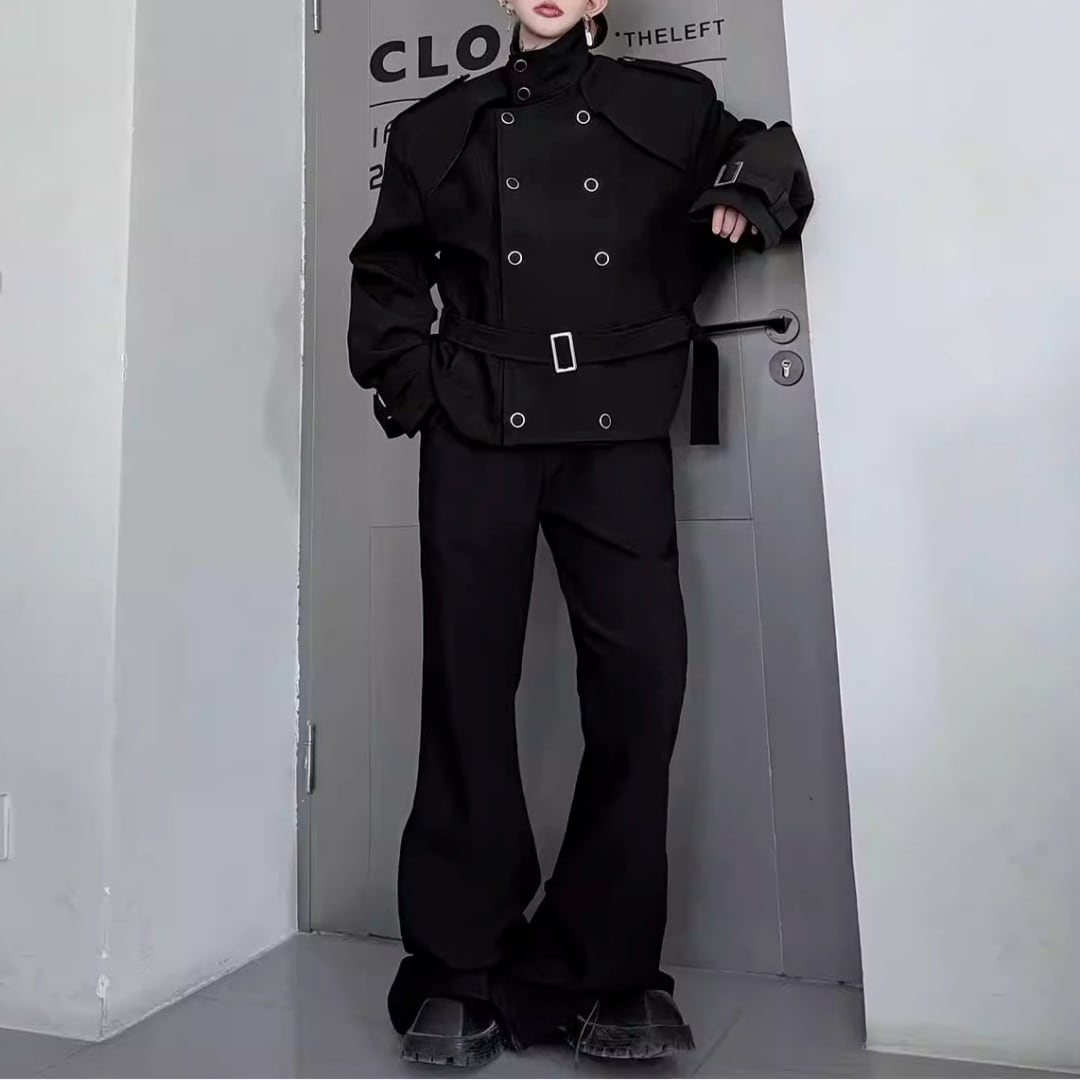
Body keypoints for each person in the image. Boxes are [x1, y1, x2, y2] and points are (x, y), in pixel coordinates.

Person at [348, 0, 813, 1066]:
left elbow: (770, 154)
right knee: (466, 689)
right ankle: (460, 966)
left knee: (641, 688)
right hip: (479, 424)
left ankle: (606, 967)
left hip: (617, 425)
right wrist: (419, 383)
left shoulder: (671, 104)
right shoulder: (434, 126)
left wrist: (743, 192)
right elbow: (385, 271)